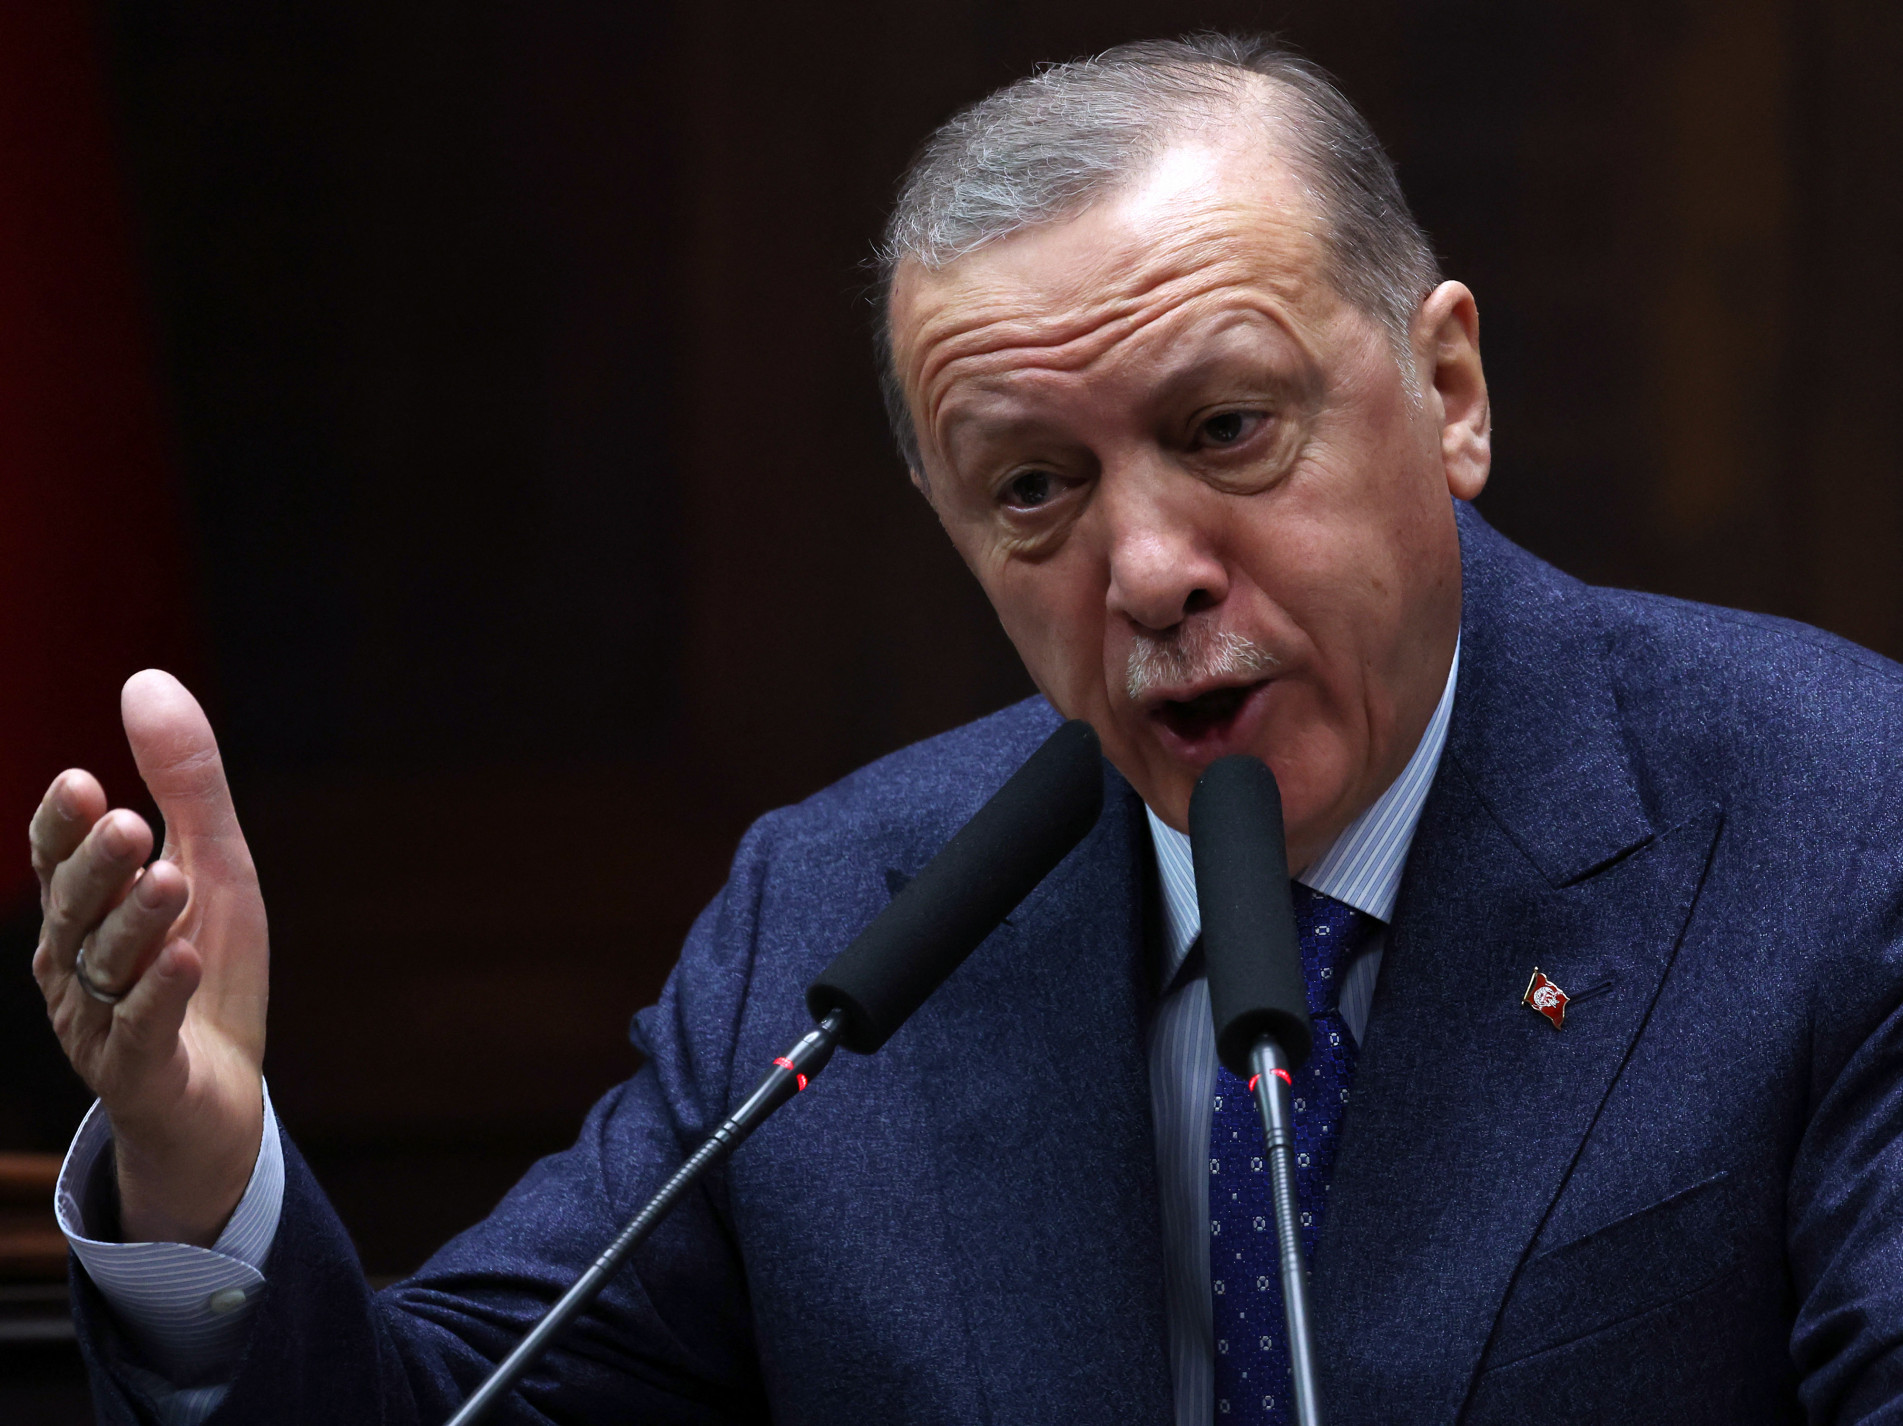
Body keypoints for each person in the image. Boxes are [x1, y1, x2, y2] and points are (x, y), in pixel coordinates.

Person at [29, 33, 1903, 1426]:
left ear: (1449, 390)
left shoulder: (1836, 821)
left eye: (1227, 428)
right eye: (1033, 488)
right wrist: (200, 1158)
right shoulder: (840, 923)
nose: (1147, 569)